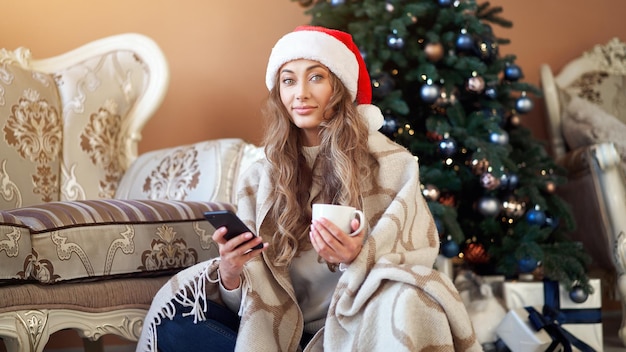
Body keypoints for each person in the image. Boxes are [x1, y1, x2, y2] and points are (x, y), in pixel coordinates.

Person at [137, 25, 480, 352]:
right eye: (288, 81)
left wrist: (356, 258)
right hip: (279, 334)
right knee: (175, 325)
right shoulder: (260, 177)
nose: (300, 93)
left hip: (355, 329)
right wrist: (230, 272)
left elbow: (416, 260)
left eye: (316, 77)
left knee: (411, 295)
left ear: (341, 87)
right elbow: (248, 304)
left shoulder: (391, 164)